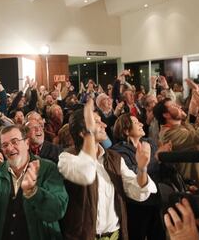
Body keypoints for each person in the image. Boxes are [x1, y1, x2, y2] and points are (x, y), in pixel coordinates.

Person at [58, 99, 157, 240]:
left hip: (115, 235)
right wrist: (90, 136)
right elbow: (86, 173)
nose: (104, 125)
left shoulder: (114, 158)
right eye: (97, 122)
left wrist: (142, 168)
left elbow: (137, 192)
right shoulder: (67, 158)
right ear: (82, 132)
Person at [0, 125, 68, 240]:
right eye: (4, 145)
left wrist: (33, 192)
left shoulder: (47, 168)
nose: (10, 148)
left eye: (14, 142)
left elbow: (57, 211)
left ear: (26, 143)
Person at [112, 113, 165, 240]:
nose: (141, 124)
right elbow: (133, 174)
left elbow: (161, 167)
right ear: (126, 130)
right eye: (136, 123)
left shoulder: (149, 143)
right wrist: (156, 158)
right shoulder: (118, 152)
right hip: (137, 205)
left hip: (157, 200)